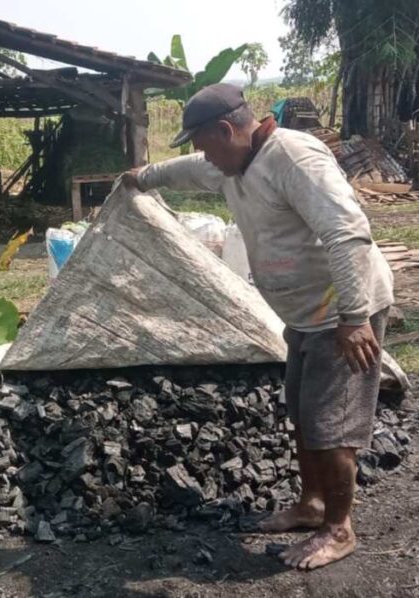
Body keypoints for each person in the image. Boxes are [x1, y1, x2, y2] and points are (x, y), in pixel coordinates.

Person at [123, 83, 394, 570]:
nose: (205, 156)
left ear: (226, 130)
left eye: (206, 143)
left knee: (333, 426)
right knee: (303, 413)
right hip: (305, 316)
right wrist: (142, 178)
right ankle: (312, 505)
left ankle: (339, 529)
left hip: (343, 314)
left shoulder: (293, 158)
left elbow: (347, 232)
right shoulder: (235, 164)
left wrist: (354, 318)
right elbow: (188, 170)